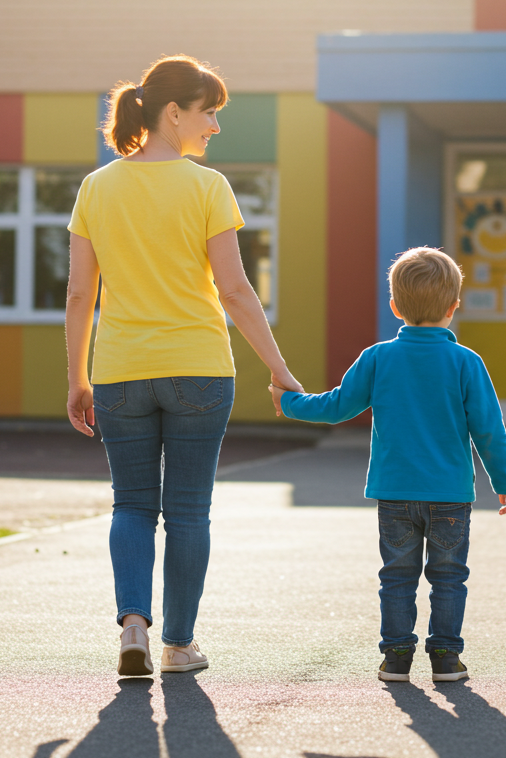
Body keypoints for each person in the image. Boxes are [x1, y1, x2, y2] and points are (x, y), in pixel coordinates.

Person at [65, 55, 303, 678]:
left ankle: (133, 626)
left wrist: (77, 377)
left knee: (132, 505)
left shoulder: (96, 187)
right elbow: (234, 291)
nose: (216, 127)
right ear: (175, 113)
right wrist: (278, 368)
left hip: (118, 372)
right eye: (210, 112)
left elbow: (77, 296)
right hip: (199, 370)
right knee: (189, 511)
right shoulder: (207, 187)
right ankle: (179, 646)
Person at [268, 247, 506, 682]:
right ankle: (445, 658)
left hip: (395, 493)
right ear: (454, 307)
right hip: (450, 496)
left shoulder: (378, 357)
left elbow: (337, 406)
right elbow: (489, 431)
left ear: (395, 306)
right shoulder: (466, 363)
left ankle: (397, 657)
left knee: (397, 577)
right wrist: (504, 480)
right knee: (449, 577)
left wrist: (289, 401)